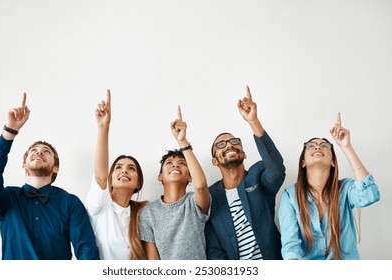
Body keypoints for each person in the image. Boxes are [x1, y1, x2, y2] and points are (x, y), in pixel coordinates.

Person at [0, 93, 99, 260]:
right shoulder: (7, 199)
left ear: (56, 168)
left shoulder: (70, 203)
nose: (39, 152)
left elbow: (86, 249)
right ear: (24, 164)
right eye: (34, 151)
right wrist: (9, 132)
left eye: (46, 152)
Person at [278, 113, 380, 260]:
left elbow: (370, 195)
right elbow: (291, 247)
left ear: (333, 161)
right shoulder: (289, 196)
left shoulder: (345, 188)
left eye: (325, 145)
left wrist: (346, 147)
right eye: (311, 146)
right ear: (303, 162)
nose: (318, 147)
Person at [205, 86, 286, 260]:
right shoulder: (210, 196)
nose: (228, 145)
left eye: (234, 141)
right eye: (221, 145)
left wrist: (253, 121)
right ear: (214, 161)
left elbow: (277, 170)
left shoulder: (258, 175)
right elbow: (213, 250)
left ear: (244, 152)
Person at [139, 106, 211, 260]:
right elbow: (153, 261)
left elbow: (201, 185)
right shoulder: (148, 213)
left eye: (182, 163)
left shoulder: (194, 203)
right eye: (169, 163)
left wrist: (182, 142)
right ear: (160, 177)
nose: (175, 165)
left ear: (190, 177)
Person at [85, 89, 148, 260]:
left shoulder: (143, 214)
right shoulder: (100, 205)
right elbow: (100, 175)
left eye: (131, 168)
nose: (124, 170)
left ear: (138, 184)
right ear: (110, 179)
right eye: (118, 167)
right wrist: (103, 128)